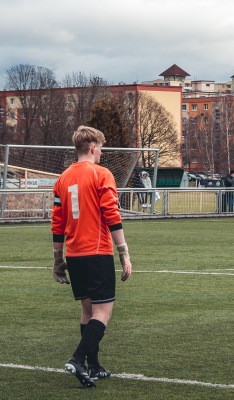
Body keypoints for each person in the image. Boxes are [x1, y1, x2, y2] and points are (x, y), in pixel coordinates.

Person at [51, 126, 132, 388]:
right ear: (94, 147)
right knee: (103, 312)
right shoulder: (101, 174)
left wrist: (57, 259)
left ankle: (94, 366)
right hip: (97, 252)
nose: (101, 154)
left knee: (87, 311)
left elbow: (57, 221)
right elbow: (112, 214)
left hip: (74, 254)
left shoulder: (63, 178)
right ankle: (77, 359)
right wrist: (124, 252)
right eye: (101, 148)